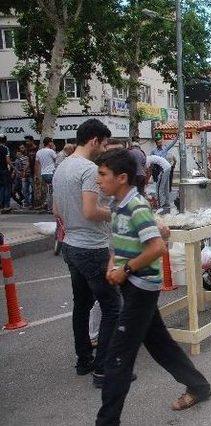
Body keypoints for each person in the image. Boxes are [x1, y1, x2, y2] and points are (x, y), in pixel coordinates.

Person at [93, 148, 211, 425]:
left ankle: (106, 421)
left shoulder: (137, 207)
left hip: (141, 288)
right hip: (132, 284)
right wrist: (113, 264)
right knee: (160, 346)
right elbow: (119, 243)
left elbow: (157, 247)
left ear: (121, 178)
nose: (98, 180)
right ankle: (200, 387)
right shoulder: (117, 206)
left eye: (102, 174)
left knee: (117, 359)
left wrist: (125, 269)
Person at [51, 118, 121, 387]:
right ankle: (104, 370)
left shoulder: (61, 167)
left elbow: (57, 211)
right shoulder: (90, 170)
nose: (104, 149)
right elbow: (91, 211)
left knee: (81, 305)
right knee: (113, 307)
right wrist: (116, 213)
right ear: (94, 141)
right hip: (92, 248)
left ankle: (84, 360)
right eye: (103, 144)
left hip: (70, 245)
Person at [35, 137, 57, 211]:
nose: (53, 144)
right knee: (54, 191)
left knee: (48, 191)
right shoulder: (51, 151)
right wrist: (54, 149)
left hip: (43, 174)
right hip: (51, 173)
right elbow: (56, 161)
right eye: (52, 142)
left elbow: (37, 165)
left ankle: (48, 205)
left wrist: (38, 175)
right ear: (49, 143)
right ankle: (52, 207)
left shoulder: (39, 152)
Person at [14, 143, 31, 208]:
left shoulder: (29, 155)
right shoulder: (20, 158)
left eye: (22, 148)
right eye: (20, 148)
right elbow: (20, 168)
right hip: (24, 176)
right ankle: (27, 203)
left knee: (31, 190)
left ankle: (30, 203)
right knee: (24, 190)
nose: (22, 149)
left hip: (30, 174)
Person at [0, 134, 12, 212]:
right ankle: (6, 205)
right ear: (5, 140)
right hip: (4, 170)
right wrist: (15, 169)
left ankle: (1, 205)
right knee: (7, 188)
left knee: (1, 187)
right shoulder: (5, 148)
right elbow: (7, 161)